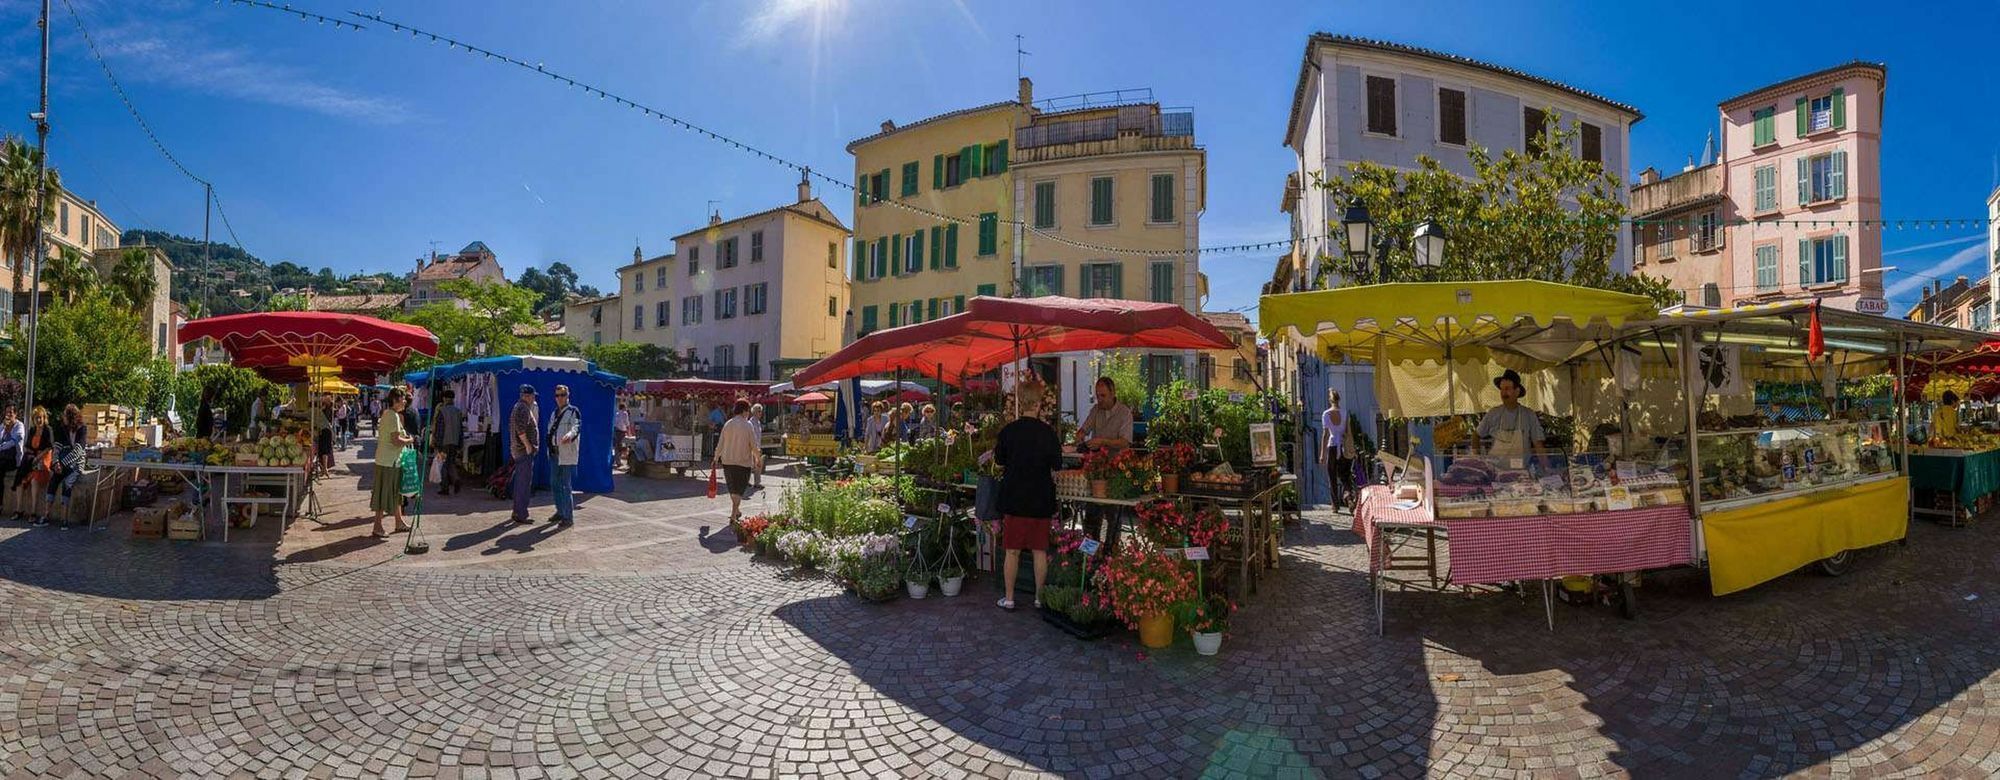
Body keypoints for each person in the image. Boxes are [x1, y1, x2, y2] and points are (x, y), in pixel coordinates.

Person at [989, 379, 1061, 611]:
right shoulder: (1048, 433)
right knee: (1040, 550)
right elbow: (1057, 464)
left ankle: (1009, 597)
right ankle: (1039, 597)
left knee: (1012, 550)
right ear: (1039, 404)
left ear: (1020, 402)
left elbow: (999, 460)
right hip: (1041, 498)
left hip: (1015, 497)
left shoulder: (1009, 431)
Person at [369, 389, 415, 538]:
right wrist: (410, 440)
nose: (405, 402)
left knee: (395, 493)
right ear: (395, 400)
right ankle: (377, 526)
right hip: (389, 462)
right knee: (385, 494)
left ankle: (399, 521)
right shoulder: (393, 416)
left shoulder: (388, 414)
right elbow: (396, 441)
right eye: (403, 399)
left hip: (387, 460)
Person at [1477, 369, 1545, 458]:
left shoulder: (1529, 415)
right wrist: (1477, 459)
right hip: (1495, 470)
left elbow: (1538, 444)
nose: (1503, 393)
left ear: (1517, 391)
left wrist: (1546, 469)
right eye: (1501, 389)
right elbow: (1476, 435)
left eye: (1507, 389)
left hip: (1521, 470)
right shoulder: (1493, 413)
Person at [42, 405, 89, 528]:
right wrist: (56, 462)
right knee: (53, 481)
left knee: (67, 484)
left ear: (70, 416)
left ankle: (64, 519)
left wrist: (62, 464)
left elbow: (78, 451)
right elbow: (57, 447)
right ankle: (46, 515)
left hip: (76, 463)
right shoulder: (62, 428)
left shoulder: (82, 429)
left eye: (65, 415)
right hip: (62, 462)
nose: (63, 417)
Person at [715, 399, 759, 524]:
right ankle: (734, 514)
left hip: (727, 461)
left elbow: (721, 443)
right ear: (744, 411)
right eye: (748, 411)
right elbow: (753, 445)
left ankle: (736, 510)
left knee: (732, 488)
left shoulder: (728, 424)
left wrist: (715, 457)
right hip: (743, 462)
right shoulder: (747, 425)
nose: (749, 414)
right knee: (739, 489)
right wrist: (757, 458)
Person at [545, 384, 582, 527]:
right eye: (557, 395)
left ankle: (568, 517)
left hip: (566, 453)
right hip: (554, 453)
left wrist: (570, 435)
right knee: (554, 483)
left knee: (566, 485)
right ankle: (560, 511)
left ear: (568, 396)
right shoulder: (554, 413)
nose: (560, 398)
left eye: (562, 395)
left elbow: (577, 427)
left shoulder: (573, 411)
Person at [509, 385, 541, 525]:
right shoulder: (523, 408)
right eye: (533, 395)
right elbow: (520, 429)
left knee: (520, 482)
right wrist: (528, 445)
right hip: (523, 451)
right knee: (523, 483)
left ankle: (517, 511)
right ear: (527, 396)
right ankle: (521, 513)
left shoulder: (518, 406)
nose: (533, 398)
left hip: (519, 450)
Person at [12, 407, 51, 524]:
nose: (39, 420)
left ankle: (33, 512)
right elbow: (27, 446)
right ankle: (19, 509)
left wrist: (37, 458)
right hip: (32, 460)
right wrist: (32, 458)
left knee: (34, 481)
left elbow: (49, 447)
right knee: (20, 480)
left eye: (41, 417)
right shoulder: (32, 430)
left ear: (44, 418)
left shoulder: (48, 430)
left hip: (43, 460)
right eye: (37, 418)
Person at [1075, 377, 1134, 452]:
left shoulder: (1125, 413)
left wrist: (1103, 442)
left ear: (1112, 393)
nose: (1099, 399)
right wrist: (1080, 435)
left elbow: (1124, 442)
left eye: (1103, 396)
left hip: (1118, 461)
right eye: (1097, 396)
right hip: (1098, 460)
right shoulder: (1096, 409)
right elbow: (1084, 429)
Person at [1322, 389, 1356, 512]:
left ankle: (1335, 506)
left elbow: (1325, 435)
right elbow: (1348, 432)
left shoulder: (1326, 414)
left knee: (1332, 477)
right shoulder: (1345, 413)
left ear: (1330, 400)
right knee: (1345, 476)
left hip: (1332, 447)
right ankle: (1348, 497)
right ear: (1339, 399)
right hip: (1343, 447)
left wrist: (1322, 454)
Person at [433, 389, 467, 496]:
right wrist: (461, 442)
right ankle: (455, 479)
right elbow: (461, 429)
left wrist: (437, 442)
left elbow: (440, 429)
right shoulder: (458, 411)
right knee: (451, 462)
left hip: (444, 442)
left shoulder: (442, 411)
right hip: (455, 441)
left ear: (444, 398)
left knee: (443, 464)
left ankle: (445, 487)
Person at [0, 406, 22, 519]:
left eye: (11, 413)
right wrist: (5, 428)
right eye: (7, 412)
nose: (9, 415)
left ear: (15, 414)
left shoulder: (19, 426)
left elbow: (13, 442)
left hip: (13, 459)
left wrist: (9, 430)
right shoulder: (2, 426)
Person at [315, 395, 336, 477]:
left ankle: (325, 469)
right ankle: (324, 468)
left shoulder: (327, 409)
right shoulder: (329, 409)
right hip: (325, 431)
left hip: (325, 431)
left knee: (324, 450)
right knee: (323, 451)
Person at [747, 403, 766, 487]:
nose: (760, 413)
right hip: (751, 447)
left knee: (758, 465)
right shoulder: (750, 423)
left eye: (761, 411)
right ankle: (747, 481)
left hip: (757, 446)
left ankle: (757, 482)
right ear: (754, 412)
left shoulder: (758, 422)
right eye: (759, 411)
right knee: (750, 465)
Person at [612, 401, 632, 470]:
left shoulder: (617, 413)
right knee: (621, 446)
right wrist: (629, 432)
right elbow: (627, 423)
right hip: (621, 431)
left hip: (616, 430)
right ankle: (618, 462)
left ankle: (616, 460)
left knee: (617, 446)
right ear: (623, 407)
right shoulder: (624, 413)